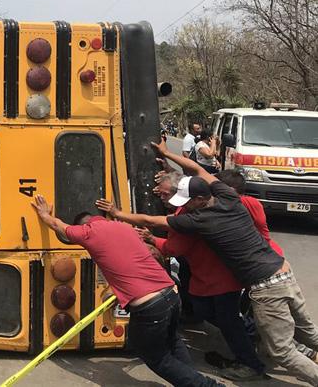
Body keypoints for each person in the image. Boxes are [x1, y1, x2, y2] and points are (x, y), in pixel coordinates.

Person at [97, 140, 318, 385]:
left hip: (266, 285)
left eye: (187, 201)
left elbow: (152, 220)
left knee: (282, 351)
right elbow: (198, 170)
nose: (184, 205)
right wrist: (168, 153)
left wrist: (118, 215)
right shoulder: (227, 197)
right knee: (309, 333)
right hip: (283, 272)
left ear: (201, 200)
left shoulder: (199, 220)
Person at [31, 195, 222, 386]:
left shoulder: (88, 232)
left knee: (157, 357)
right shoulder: (124, 228)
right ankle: (190, 380)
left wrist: (44, 214)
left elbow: (58, 226)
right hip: (171, 293)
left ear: (83, 225)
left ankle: (206, 385)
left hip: (150, 306)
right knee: (172, 340)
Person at [145, 174, 266, 380]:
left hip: (219, 276)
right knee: (211, 312)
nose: (162, 197)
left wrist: (150, 239)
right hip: (212, 274)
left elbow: (174, 248)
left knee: (226, 320)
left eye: (167, 194)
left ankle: (251, 361)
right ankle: (250, 333)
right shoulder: (198, 209)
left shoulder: (189, 217)